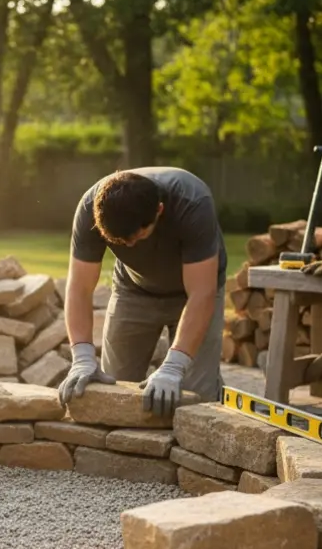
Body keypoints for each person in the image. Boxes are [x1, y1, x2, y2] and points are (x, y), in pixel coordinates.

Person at [58, 167, 228, 416]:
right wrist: (82, 356)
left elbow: (202, 293)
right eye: (119, 241)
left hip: (193, 295)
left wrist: (174, 366)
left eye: (137, 237)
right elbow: (79, 288)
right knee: (112, 389)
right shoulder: (90, 208)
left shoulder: (192, 202)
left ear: (159, 210)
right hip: (133, 291)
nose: (128, 246)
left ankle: (212, 388)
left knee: (197, 398)